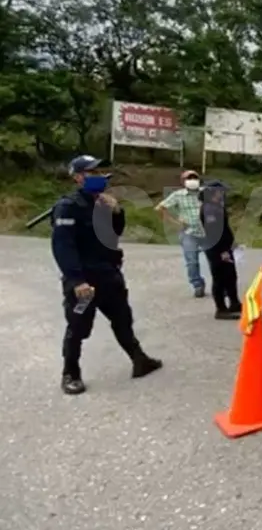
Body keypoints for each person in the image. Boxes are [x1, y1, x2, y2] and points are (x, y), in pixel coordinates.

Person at [51, 155, 163, 395]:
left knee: (123, 319)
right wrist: (76, 280)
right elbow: (63, 247)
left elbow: (115, 233)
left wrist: (117, 211)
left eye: (101, 171)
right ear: (78, 177)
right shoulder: (68, 206)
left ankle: (139, 360)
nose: (100, 175)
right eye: (92, 172)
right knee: (78, 327)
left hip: (109, 275)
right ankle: (70, 373)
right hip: (85, 280)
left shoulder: (102, 202)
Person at [156, 169, 207, 297]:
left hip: (208, 231)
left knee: (215, 260)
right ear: (183, 181)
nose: (192, 181)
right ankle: (198, 284)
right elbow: (160, 208)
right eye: (188, 178)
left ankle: (220, 285)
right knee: (192, 261)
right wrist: (174, 222)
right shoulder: (178, 195)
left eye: (194, 178)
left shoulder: (205, 193)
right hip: (189, 232)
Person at [199, 180, 242, 320]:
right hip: (216, 248)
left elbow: (224, 229)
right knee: (220, 278)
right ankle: (221, 309)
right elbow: (213, 232)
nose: (223, 194)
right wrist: (222, 250)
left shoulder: (217, 206)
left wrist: (231, 243)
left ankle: (234, 303)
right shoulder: (209, 209)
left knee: (231, 275)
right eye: (220, 192)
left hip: (224, 247)